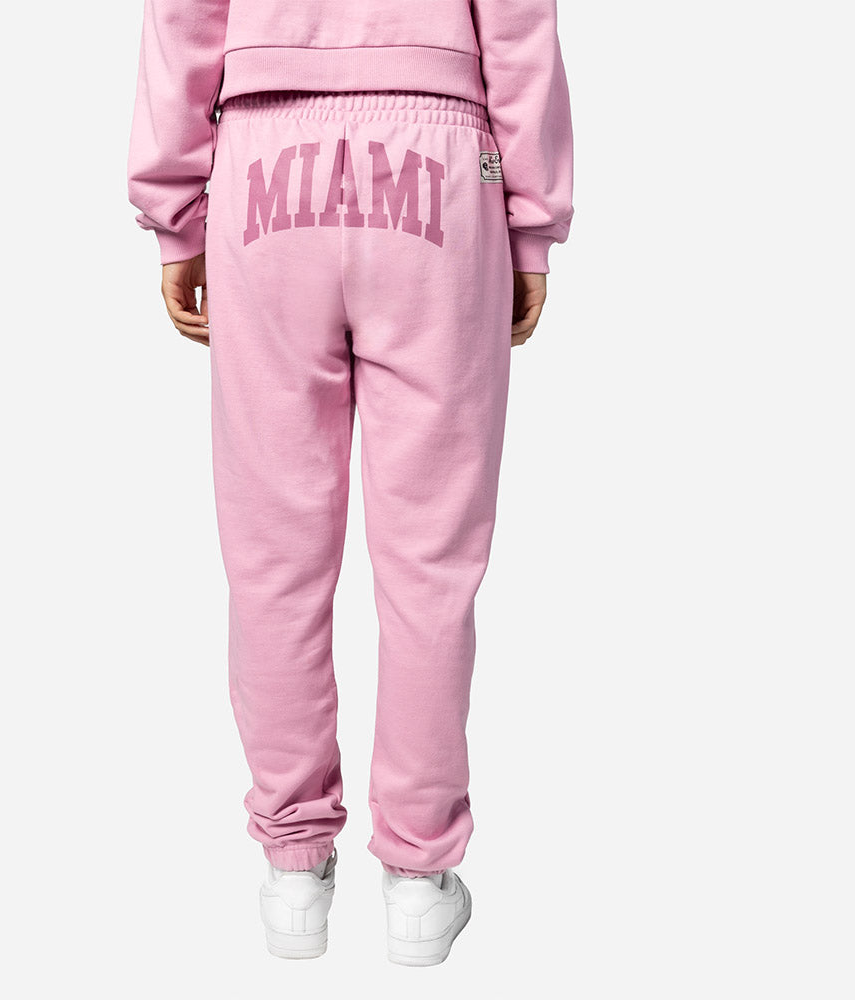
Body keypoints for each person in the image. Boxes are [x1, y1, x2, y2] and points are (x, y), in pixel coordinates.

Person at [127, 0, 574, 966]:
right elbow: (518, 23)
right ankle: (418, 879)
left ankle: (293, 868)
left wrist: (175, 214)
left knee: (273, 555)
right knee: (430, 563)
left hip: (263, 158)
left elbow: (181, 15)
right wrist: (530, 224)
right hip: (440, 160)